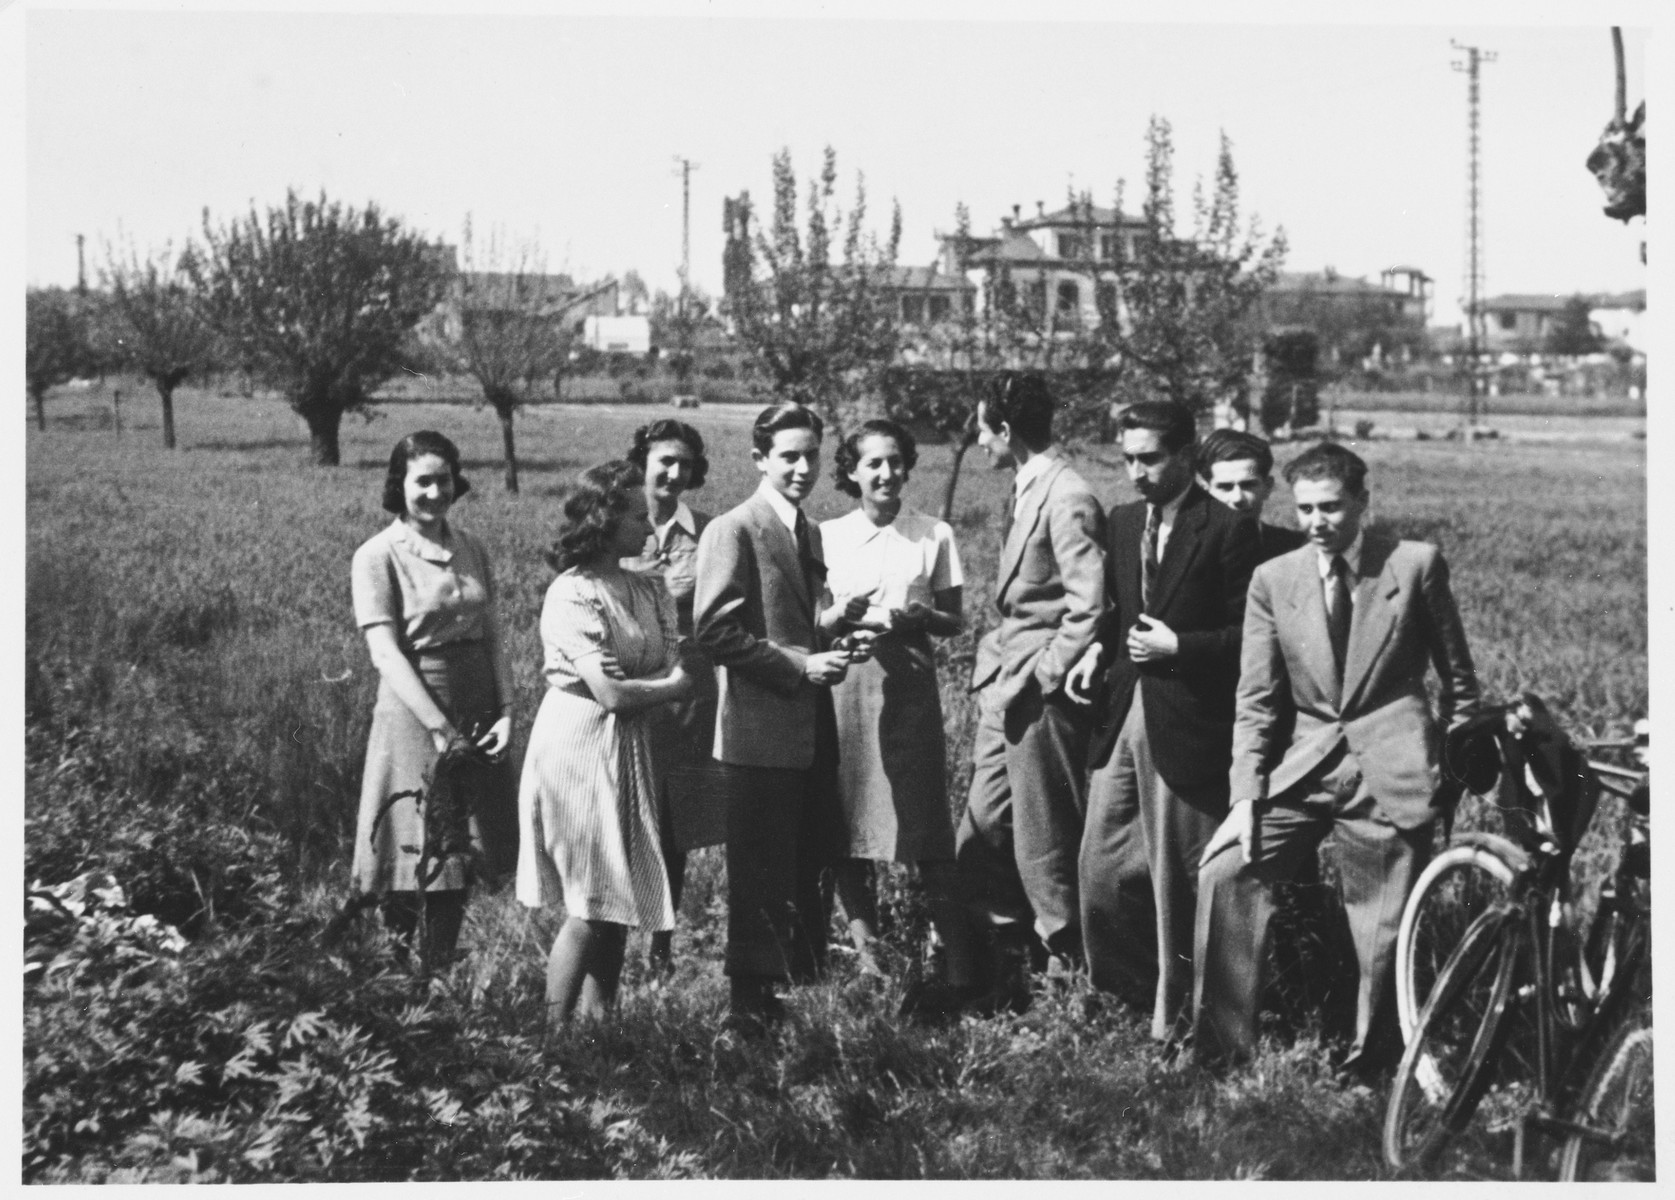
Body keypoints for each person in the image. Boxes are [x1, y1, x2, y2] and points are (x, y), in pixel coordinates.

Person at [1192, 442, 1481, 1074]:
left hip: (1392, 768)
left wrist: (1449, 772)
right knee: (1226, 873)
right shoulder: (1275, 579)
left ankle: (1372, 1062)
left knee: (1379, 928)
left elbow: (1460, 682)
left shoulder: (1414, 565)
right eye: (1304, 509)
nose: (1316, 522)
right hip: (1307, 766)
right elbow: (1257, 699)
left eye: (1331, 507)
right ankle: (1221, 1050)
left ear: (1362, 503)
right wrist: (1245, 801)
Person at [1065, 402, 1260, 1043]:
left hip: (1190, 722)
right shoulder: (1124, 523)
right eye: (1127, 458)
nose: (1136, 472)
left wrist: (1184, 649)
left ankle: (1179, 1027)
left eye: (1149, 458)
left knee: (1177, 885)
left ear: (1185, 456)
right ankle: (1124, 999)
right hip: (1124, 713)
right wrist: (1099, 650)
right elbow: (1121, 613)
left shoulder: (1228, 529)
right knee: (1099, 870)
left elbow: (1255, 639)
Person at [694, 402, 854, 1031]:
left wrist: (836, 632)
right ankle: (746, 1010)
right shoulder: (735, 528)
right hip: (758, 730)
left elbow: (795, 621)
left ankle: (784, 995)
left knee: (804, 860)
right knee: (760, 869)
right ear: (759, 459)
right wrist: (798, 667)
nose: (802, 467)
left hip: (808, 729)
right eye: (788, 455)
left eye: (812, 454)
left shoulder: (805, 530)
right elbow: (716, 632)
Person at [517, 461, 694, 1024]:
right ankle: (550, 1037)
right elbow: (611, 693)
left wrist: (650, 682)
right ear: (605, 519)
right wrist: (664, 685)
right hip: (577, 748)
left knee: (616, 899)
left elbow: (670, 661)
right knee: (591, 904)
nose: (651, 527)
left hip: (627, 748)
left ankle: (597, 1030)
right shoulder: (572, 594)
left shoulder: (642, 588)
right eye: (640, 516)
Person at [951, 373, 1106, 1016]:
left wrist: (1042, 676)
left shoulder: (1067, 495)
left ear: (1006, 432)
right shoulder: (1028, 487)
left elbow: (1088, 607)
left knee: (1042, 842)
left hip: (1037, 696)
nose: (979, 442)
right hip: (1005, 688)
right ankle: (1007, 969)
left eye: (984, 429)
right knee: (983, 831)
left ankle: (1067, 988)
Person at [818, 418, 977, 990]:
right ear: (852, 473)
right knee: (846, 818)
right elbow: (815, 619)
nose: (886, 473)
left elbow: (954, 620)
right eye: (873, 464)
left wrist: (922, 618)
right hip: (846, 686)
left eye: (895, 462)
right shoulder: (827, 536)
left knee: (923, 821)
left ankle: (951, 960)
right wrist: (841, 616)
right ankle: (870, 957)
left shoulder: (933, 532)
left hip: (909, 685)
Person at [350, 430, 518, 963]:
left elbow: (492, 633)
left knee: (463, 848)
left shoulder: (471, 547)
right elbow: (386, 653)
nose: (434, 492)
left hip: (477, 704)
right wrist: (440, 730)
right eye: (422, 481)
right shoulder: (377, 555)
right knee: (415, 840)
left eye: (443, 480)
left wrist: (509, 710)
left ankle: (439, 965)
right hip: (415, 711)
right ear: (399, 485)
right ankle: (397, 971)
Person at [621, 419, 717, 974]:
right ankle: (612, 938)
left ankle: (660, 949)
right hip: (624, 692)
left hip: (684, 698)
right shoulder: (618, 526)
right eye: (665, 461)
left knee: (672, 825)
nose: (675, 474)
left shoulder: (709, 533)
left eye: (685, 464)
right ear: (643, 462)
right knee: (622, 817)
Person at [1197, 428, 1308, 559]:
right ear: (1205, 490)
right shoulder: (1181, 551)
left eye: (1248, 485)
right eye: (1225, 487)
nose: (1237, 498)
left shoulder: (1297, 549)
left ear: (1267, 487)